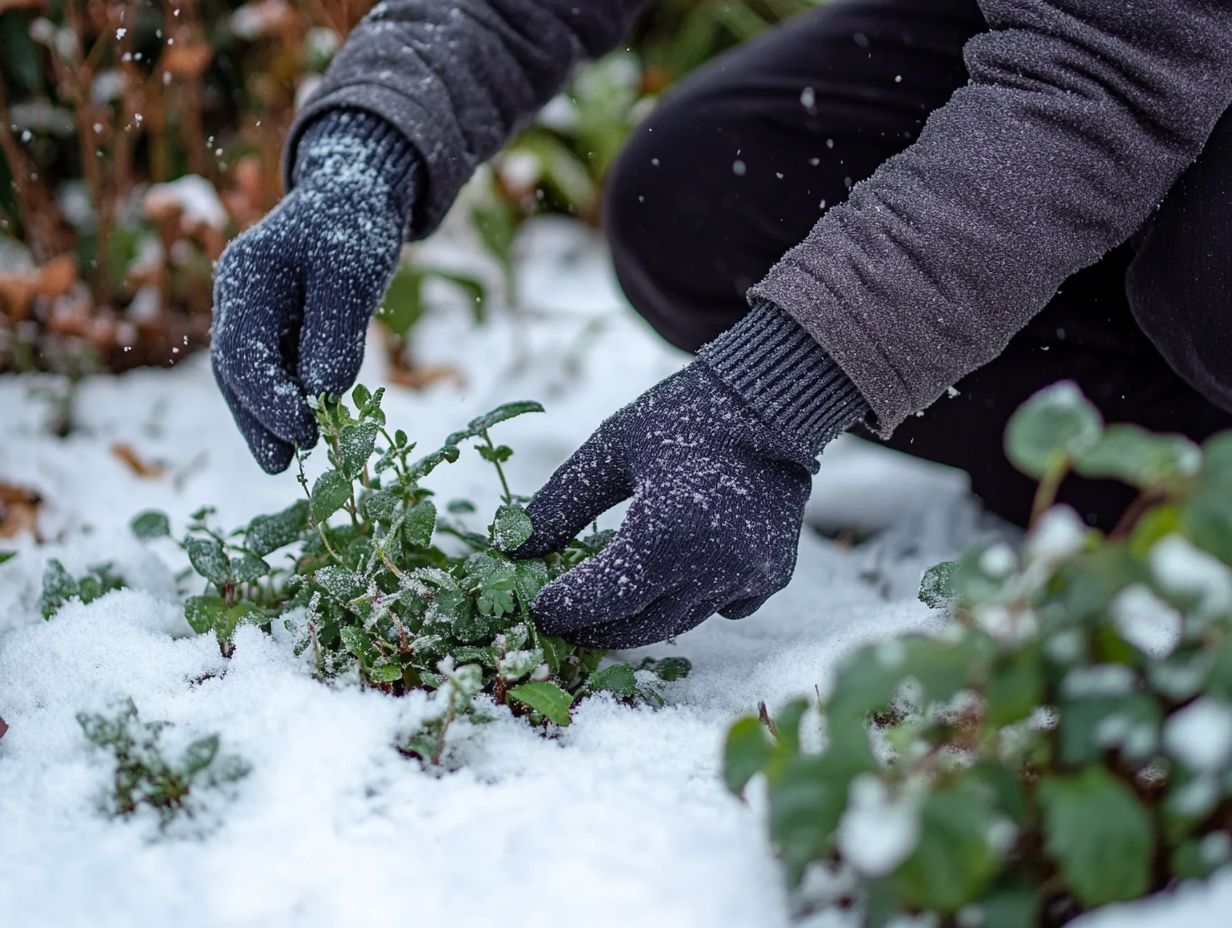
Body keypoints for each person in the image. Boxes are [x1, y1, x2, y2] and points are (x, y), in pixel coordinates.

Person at [210, 0, 1232, 649]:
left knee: (1209, 267)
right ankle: (1155, 465)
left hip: (1138, 39)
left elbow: (1107, 71)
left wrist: (777, 390)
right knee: (699, 199)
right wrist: (369, 148)